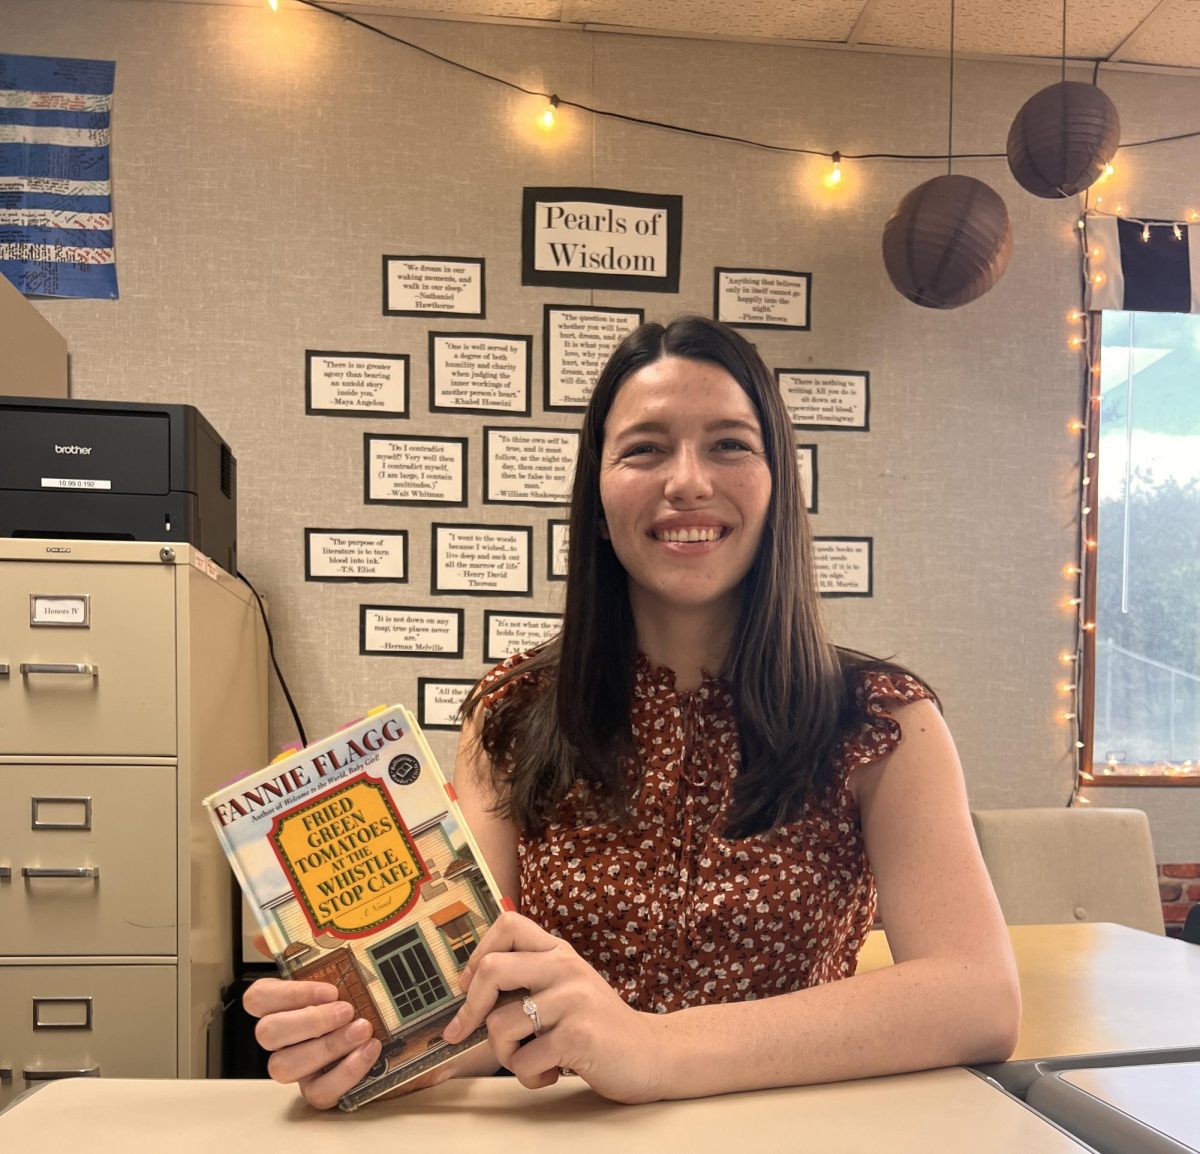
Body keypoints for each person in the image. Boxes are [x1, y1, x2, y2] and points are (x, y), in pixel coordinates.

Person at [244, 315, 1020, 1109]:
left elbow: (977, 995)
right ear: (598, 486)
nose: (686, 480)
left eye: (729, 443)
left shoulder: (882, 723)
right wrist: (373, 1045)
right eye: (644, 448)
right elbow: (476, 1009)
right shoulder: (510, 716)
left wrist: (655, 1047)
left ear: (778, 477)